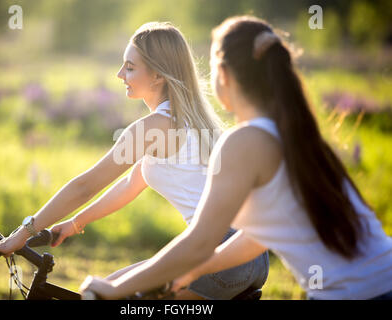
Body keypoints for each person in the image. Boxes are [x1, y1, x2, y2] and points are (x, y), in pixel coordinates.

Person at [79, 16, 392, 300]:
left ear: (224, 75)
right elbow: (256, 237)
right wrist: (197, 269)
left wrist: (115, 288)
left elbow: (200, 241)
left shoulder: (243, 141)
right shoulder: (292, 134)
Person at [0, 21, 269, 300]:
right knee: (107, 287)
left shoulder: (153, 127)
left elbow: (85, 186)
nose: (120, 74)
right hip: (250, 254)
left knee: (104, 294)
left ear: (158, 75)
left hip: (218, 254)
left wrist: (22, 234)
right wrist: (75, 223)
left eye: (130, 67)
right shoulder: (192, 120)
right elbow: (131, 184)